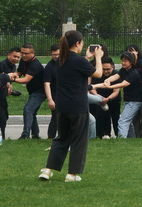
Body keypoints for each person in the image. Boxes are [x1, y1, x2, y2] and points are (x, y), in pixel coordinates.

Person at [39, 31, 103, 182]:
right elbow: (99, 74)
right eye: (82, 42)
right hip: (78, 106)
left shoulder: (61, 60)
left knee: (61, 138)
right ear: (77, 43)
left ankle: (48, 170)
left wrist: (87, 58)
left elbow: (77, 67)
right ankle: (72, 174)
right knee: (79, 140)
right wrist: (98, 57)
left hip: (62, 106)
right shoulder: (78, 61)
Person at [103, 53, 142, 139]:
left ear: (131, 62)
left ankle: (121, 140)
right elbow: (116, 76)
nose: (123, 63)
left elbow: (123, 84)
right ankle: (131, 140)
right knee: (128, 122)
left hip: (134, 101)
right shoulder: (123, 70)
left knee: (123, 121)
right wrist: (108, 80)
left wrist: (109, 87)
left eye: (125, 61)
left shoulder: (134, 73)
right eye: (122, 60)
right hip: (128, 100)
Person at [13, 43, 45, 140]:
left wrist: (12, 79)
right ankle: (35, 135)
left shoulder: (35, 64)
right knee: (32, 112)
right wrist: (12, 76)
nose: (23, 55)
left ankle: (25, 135)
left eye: (26, 53)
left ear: (32, 53)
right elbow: (19, 73)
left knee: (28, 109)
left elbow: (26, 79)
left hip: (40, 92)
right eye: (22, 53)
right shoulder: (23, 61)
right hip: (33, 91)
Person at [90, 56, 119, 138]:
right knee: (100, 117)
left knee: (116, 118)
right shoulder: (97, 75)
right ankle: (101, 135)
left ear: (112, 67)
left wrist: (108, 99)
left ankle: (118, 135)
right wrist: (98, 97)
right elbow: (92, 88)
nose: (106, 71)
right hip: (99, 99)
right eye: (103, 69)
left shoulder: (116, 75)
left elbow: (116, 91)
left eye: (108, 69)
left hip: (113, 99)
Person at [42, 45, 60, 139]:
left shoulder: (66, 63)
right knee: (55, 117)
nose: (56, 56)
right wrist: (50, 100)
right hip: (55, 95)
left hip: (66, 94)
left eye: (58, 54)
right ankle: (51, 137)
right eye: (54, 54)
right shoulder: (49, 67)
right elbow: (46, 84)